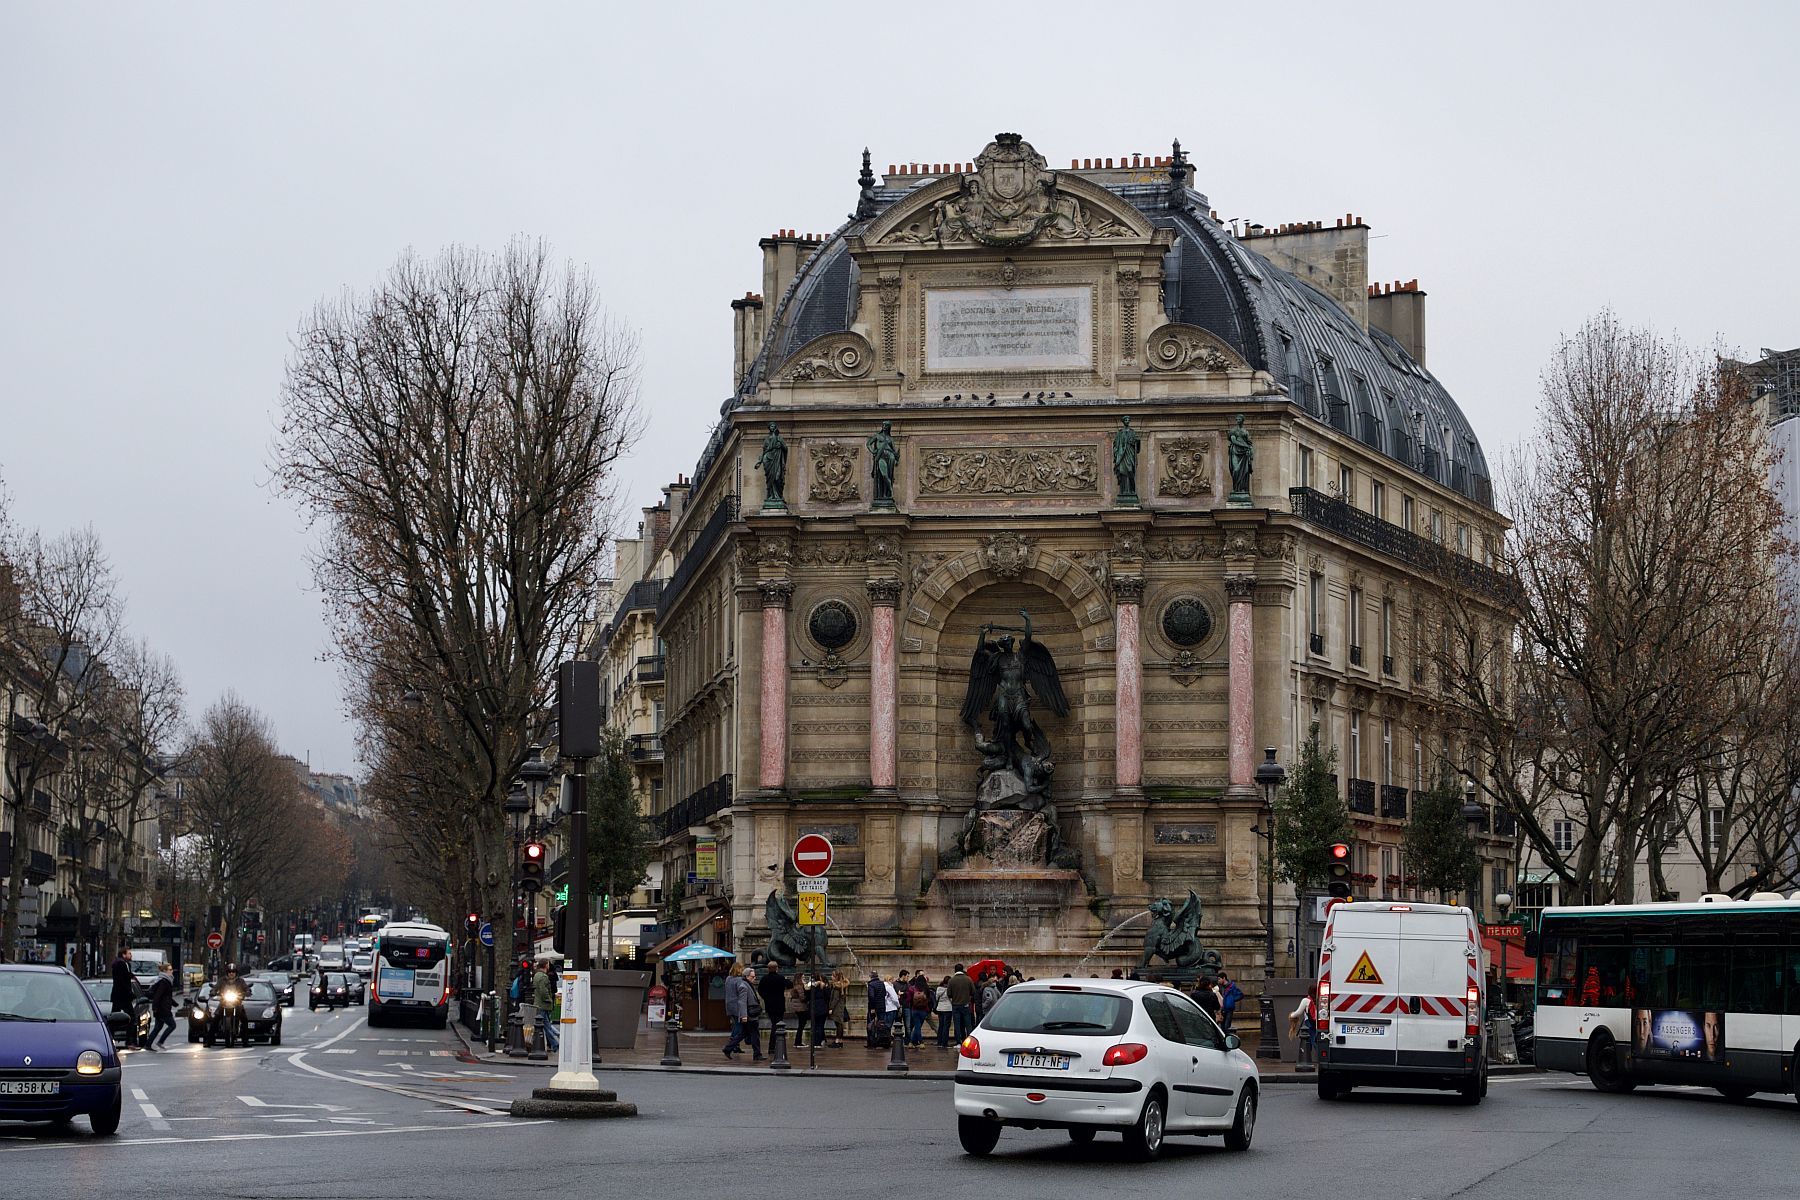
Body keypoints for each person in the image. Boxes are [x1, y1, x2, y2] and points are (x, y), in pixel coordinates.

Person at [723, 963, 754, 1059]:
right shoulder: (739, 980)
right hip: (737, 1005)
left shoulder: (728, 979)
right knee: (739, 1026)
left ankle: (735, 1046)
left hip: (729, 1004)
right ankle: (732, 1044)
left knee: (735, 1024)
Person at [109, 946, 138, 1049]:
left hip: (118, 995)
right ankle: (130, 1042)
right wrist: (130, 993)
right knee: (131, 1018)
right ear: (124, 954)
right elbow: (122, 981)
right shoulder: (122, 964)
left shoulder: (120, 963)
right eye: (129, 953)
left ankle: (110, 1041)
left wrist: (130, 975)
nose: (131, 955)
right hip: (123, 996)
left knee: (113, 1019)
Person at [758, 961, 790, 1047]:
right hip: (779, 1005)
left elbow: (760, 990)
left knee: (773, 1024)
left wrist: (766, 998)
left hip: (769, 1005)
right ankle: (775, 1044)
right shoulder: (781, 978)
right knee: (778, 1025)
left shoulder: (764, 978)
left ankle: (772, 1045)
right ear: (777, 968)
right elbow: (790, 985)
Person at [146, 960, 176, 1051]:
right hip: (163, 1009)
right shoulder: (164, 982)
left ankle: (148, 1044)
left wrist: (174, 1003)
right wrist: (155, 1008)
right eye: (170, 970)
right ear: (164, 971)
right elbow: (158, 996)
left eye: (171, 969)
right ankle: (160, 1042)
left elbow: (166, 996)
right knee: (172, 1025)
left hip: (161, 1008)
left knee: (158, 1027)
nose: (172, 971)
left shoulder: (165, 981)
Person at [531, 962, 559, 1052]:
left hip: (538, 1003)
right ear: (546, 965)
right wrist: (549, 999)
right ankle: (555, 1044)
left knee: (546, 1025)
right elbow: (544, 991)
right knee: (547, 1025)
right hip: (543, 1004)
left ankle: (555, 1043)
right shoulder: (543, 977)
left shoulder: (536, 975)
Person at [1288, 987, 1317, 1070]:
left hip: (1309, 1024)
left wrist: (1291, 1015)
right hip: (1318, 1023)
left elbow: (1298, 1013)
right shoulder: (1319, 1000)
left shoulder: (1306, 1000)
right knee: (1313, 1041)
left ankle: (1306, 1060)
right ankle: (1310, 1059)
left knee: (1311, 1042)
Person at [947, 964, 976, 1042]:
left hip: (955, 1004)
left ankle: (958, 1041)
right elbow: (973, 991)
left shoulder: (951, 980)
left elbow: (949, 994)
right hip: (966, 1004)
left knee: (957, 1024)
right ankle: (970, 1040)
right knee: (968, 1023)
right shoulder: (968, 979)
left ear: (955, 970)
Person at [806, 973, 832, 1050]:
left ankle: (814, 1042)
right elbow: (828, 997)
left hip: (813, 1008)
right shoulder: (823, 987)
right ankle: (819, 1041)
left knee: (814, 1025)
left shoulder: (811, 987)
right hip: (822, 1008)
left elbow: (807, 997)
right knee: (820, 1025)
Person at [865, 970, 889, 1048]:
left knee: (871, 1025)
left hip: (874, 1007)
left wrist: (872, 1008)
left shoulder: (871, 985)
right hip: (882, 1006)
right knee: (881, 1024)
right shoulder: (882, 983)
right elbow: (885, 994)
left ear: (871, 976)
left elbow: (871, 996)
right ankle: (881, 1041)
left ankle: (871, 1043)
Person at [904, 972, 929, 1046]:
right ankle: (918, 1042)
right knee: (918, 1026)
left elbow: (908, 999)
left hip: (914, 1009)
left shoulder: (912, 988)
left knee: (917, 1027)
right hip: (924, 1010)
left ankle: (913, 1042)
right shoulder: (926, 989)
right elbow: (929, 999)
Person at [828, 969, 849, 1048]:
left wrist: (831, 1008)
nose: (831, 977)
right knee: (840, 1024)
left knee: (838, 1024)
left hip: (837, 1008)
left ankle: (837, 1041)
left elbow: (835, 998)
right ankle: (840, 1041)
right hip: (841, 1006)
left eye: (833, 976)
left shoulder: (837, 986)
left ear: (836, 977)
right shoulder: (842, 985)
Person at [934, 975, 954, 1047]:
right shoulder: (950, 989)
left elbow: (936, 998)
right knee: (946, 1026)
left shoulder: (939, 988)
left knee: (941, 1025)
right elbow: (952, 999)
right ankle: (944, 1043)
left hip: (940, 1008)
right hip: (948, 1009)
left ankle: (939, 1042)